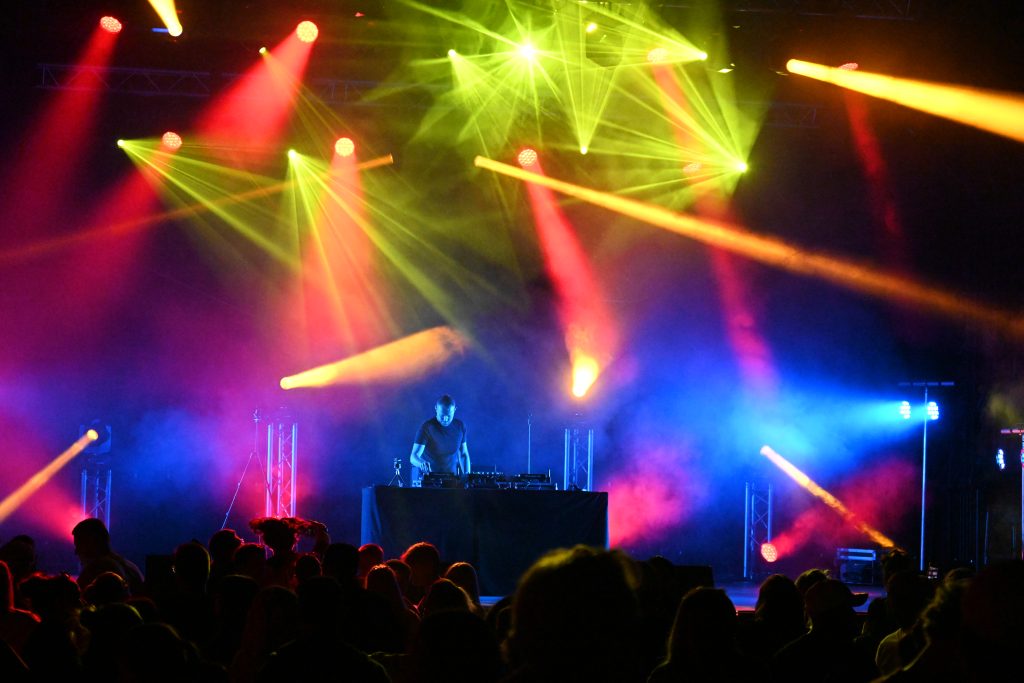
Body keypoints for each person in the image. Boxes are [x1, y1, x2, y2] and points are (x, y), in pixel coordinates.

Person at [409, 394, 471, 480]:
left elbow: (463, 454)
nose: (445, 419)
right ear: (436, 409)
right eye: (442, 415)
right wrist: (421, 463)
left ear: (455, 410)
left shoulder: (460, 426)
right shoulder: (427, 427)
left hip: (451, 480)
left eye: (449, 416)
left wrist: (467, 476)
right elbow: (413, 457)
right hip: (429, 479)